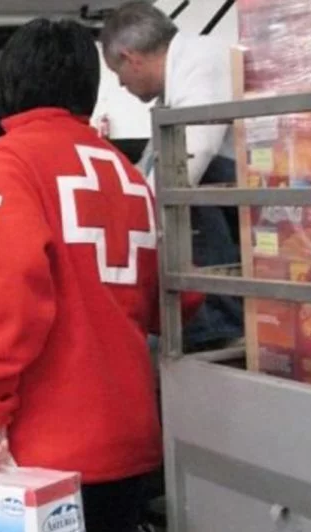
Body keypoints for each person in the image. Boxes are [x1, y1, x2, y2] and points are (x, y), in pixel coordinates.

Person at [0, 18, 201, 532]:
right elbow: (178, 295)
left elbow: (10, 287)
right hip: (129, 432)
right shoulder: (126, 171)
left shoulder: (11, 159)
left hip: (48, 443)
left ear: (9, 83)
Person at [101, 1, 243, 352]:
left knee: (181, 192)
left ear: (131, 57)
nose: (120, 85)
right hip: (240, 194)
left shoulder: (201, 64)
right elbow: (156, 155)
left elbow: (188, 157)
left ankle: (214, 324)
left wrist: (129, 218)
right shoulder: (186, 68)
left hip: (255, 192)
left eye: (118, 72)